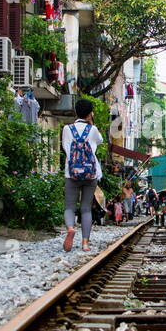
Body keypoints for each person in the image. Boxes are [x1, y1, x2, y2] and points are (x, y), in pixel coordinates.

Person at [61, 99, 103, 252]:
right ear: (90, 113)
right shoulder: (92, 130)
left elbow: (65, 147)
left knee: (70, 207)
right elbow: (100, 141)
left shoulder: (67, 129)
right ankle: (85, 243)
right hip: (90, 174)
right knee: (86, 209)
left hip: (71, 173)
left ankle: (71, 228)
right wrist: (92, 124)